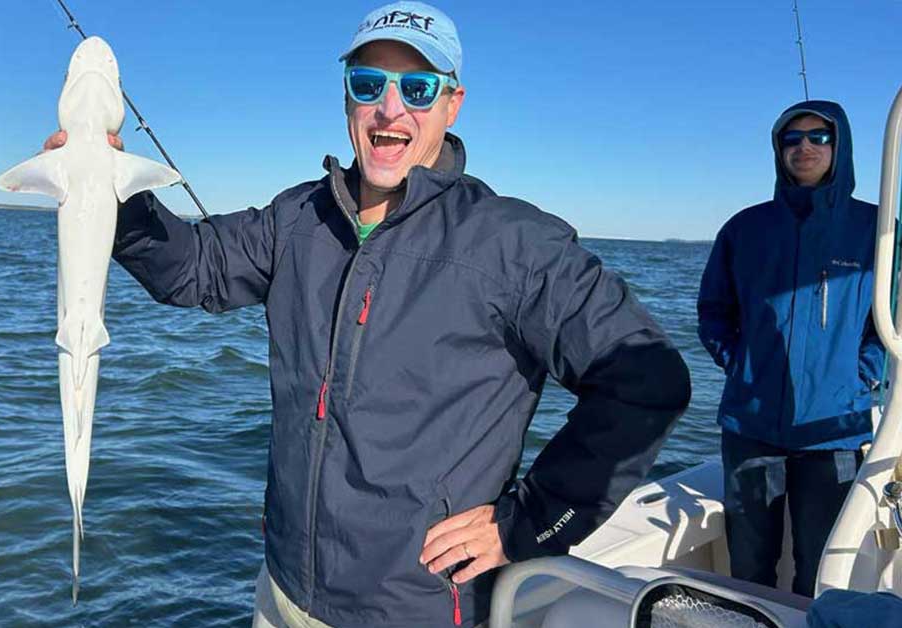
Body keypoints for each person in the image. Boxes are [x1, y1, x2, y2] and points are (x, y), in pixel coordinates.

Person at [45, 3, 690, 625]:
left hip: (417, 609)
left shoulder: (514, 244)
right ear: (347, 96)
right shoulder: (298, 218)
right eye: (368, 83)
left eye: (416, 87)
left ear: (451, 103)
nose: (390, 109)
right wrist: (111, 195)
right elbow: (197, 268)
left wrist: (527, 520)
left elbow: (648, 380)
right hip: (284, 589)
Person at [697, 100, 883, 597]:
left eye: (818, 137)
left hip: (832, 432)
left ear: (839, 146)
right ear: (778, 151)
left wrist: (862, 374)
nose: (804, 147)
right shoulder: (745, 228)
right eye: (791, 138)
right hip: (751, 426)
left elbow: (891, 322)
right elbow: (714, 311)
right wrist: (743, 367)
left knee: (821, 564)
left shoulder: (878, 230)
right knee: (750, 562)